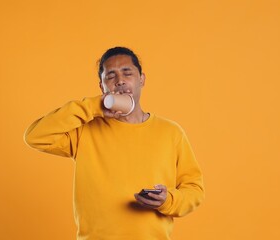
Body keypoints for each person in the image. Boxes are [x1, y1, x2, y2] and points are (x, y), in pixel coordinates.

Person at [24, 46, 204, 239]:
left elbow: (194, 190)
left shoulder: (171, 132)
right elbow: (35, 136)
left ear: (141, 79)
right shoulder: (85, 130)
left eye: (127, 73)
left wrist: (167, 200)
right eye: (111, 76)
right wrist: (93, 106)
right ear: (102, 87)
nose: (120, 81)